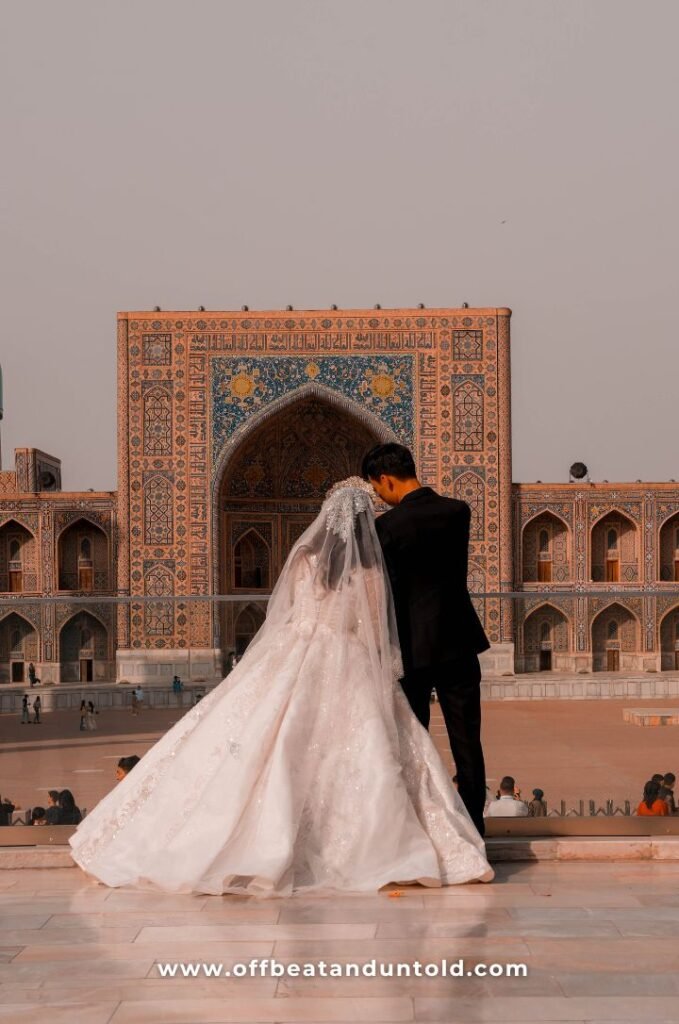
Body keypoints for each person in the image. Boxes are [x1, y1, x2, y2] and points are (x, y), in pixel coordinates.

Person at [68, 477, 494, 896]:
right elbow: (377, 629)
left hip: (295, 654)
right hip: (350, 660)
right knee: (359, 753)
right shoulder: (370, 571)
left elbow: (287, 614)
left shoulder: (305, 558)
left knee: (271, 743)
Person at [362, 443, 490, 837]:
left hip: (412, 646)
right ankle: (474, 826)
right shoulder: (458, 512)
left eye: (377, 489)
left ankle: (425, 823)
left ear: (385, 478)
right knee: (467, 738)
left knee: (415, 737)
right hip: (458, 640)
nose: (379, 497)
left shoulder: (386, 528)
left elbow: (387, 587)